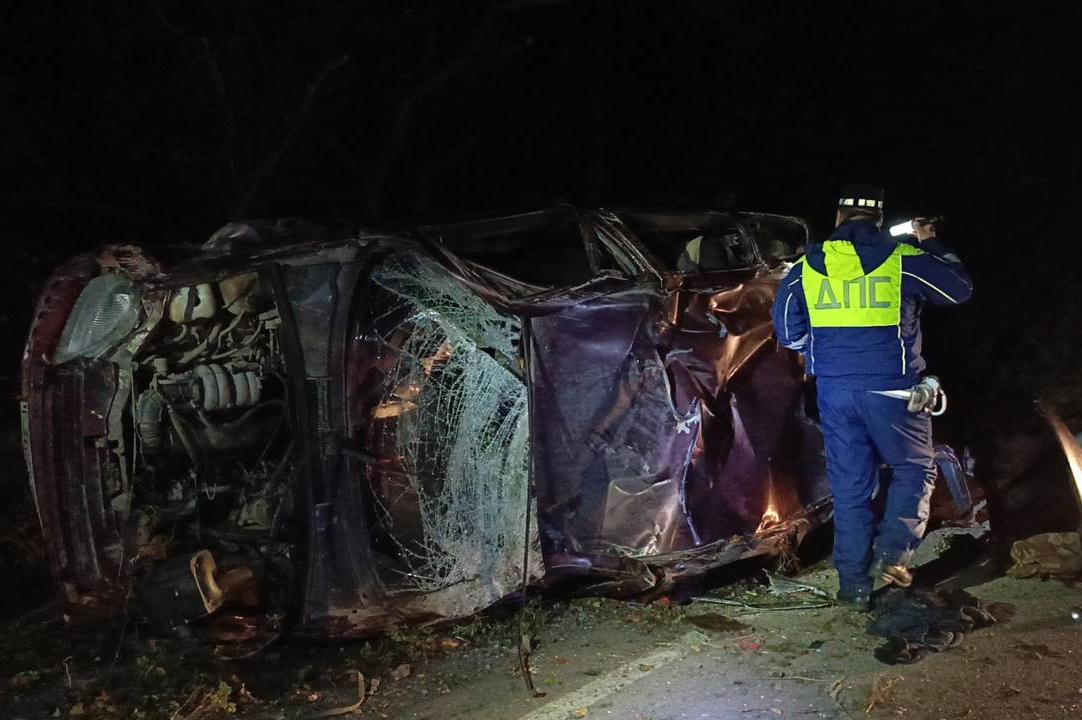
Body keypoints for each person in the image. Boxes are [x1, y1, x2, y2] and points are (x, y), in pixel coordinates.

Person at [771, 184, 972, 610]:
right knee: (914, 469)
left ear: (838, 218)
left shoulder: (806, 267)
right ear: (879, 221)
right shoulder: (903, 260)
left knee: (850, 488)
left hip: (835, 391)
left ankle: (854, 587)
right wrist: (930, 238)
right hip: (893, 389)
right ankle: (893, 554)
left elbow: (788, 333)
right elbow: (958, 289)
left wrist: (826, 352)